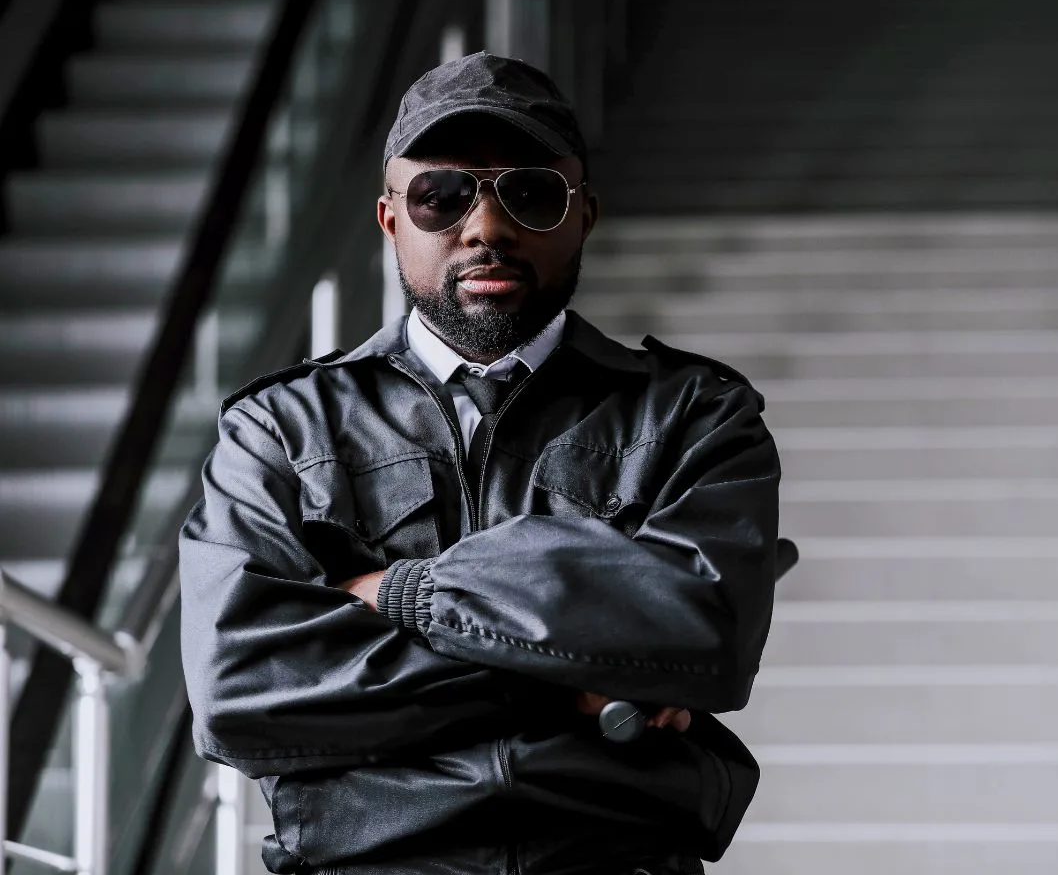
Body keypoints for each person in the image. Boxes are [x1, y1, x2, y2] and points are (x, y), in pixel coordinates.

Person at [178, 51, 782, 875]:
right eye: (441, 196)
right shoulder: (281, 427)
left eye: (530, 194)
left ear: (585, 215)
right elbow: (240, 693)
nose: (487, 230)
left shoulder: (694, 414)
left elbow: (703, 637)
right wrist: (584, 662)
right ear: (391, 218)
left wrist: (400, 594)